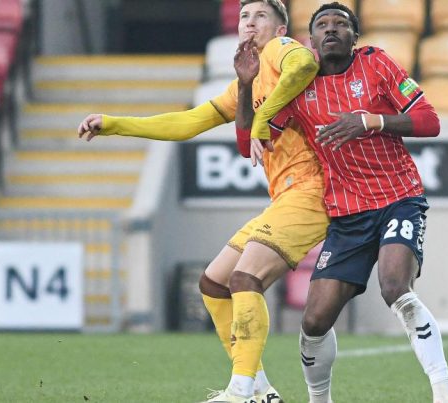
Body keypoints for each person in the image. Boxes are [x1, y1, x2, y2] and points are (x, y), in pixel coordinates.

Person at [77, 1, 329, 402]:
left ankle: (239, 390)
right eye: (245, 16)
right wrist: (114, 124)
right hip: (287, 196)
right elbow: (189, 122)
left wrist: (263, 120)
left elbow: (305, 65)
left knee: (245, 278)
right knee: (213, 282)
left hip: (314, 191)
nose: (250, 23)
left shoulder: (283, 52)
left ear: (280, 28)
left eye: (261, 16)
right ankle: (261, 391)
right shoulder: (247, 80)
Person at [246, 3, 448, 402]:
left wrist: (370, 120)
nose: (331, 30)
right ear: (310, 41)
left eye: (341, 24)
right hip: (346, 213)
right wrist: (245, 88)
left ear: (354, 37)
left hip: (398, 198)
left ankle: (444, 392)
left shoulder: (377, 64)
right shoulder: (297, 83)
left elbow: (430, 121)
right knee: (314, 320)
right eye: (322, 25)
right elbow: (251, 142)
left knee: (396, 287)